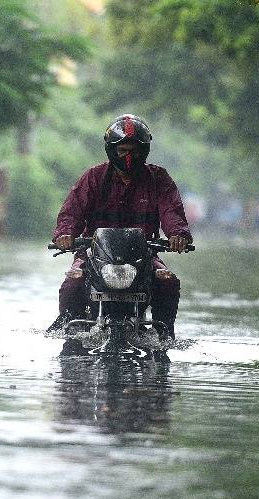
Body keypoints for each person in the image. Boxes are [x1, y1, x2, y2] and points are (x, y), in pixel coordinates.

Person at [49, 114, 193, 340]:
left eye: (134, 151)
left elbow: (171, 211)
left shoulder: (158, 178)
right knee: (73, 280)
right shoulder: (94, 177)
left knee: (168, 281)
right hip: (93, 254)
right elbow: (72, 210)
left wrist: (178, 235)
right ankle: (68, 328)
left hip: (144, 255)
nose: (128, 156)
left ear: (144, 151)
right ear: (111, 150)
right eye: (123, 150)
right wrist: (65, 234)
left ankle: (164, 334)